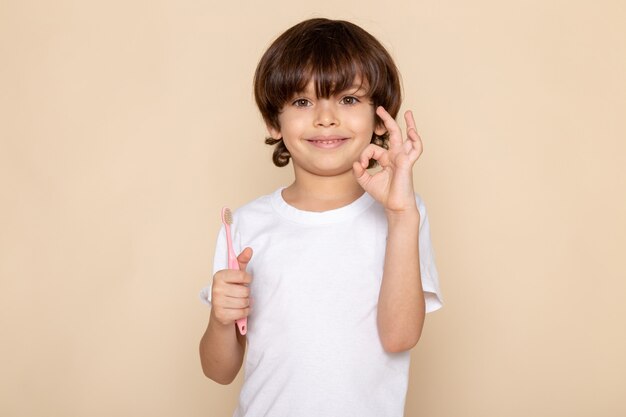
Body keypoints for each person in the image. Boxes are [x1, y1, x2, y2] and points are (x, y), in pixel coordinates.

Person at [199, 17, 443, 417]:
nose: (325, 117)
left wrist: (401, 216)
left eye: (348, 99)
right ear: (272, 122)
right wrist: (221, 318)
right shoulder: (246, 224)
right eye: (302, 101)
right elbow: (219, 370)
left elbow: (399, 337)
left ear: (379, 117)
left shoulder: (402, 214)